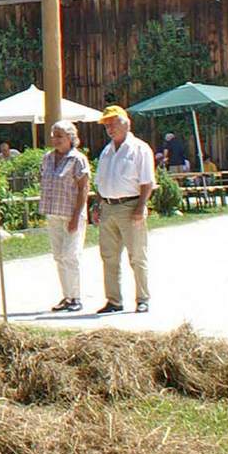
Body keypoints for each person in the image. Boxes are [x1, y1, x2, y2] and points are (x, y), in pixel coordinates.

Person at [93, 105, 155, 314]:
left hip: (131, 205)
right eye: (106, 125)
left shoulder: (140, 148)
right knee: (109, 256)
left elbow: (147, 182)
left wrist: (140, 207)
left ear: (126, 123)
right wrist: (97, 205)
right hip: (108, 206)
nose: (110, 128)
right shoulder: (106, 151)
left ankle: (142, 298)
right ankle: (114, 300)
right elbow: (100, 182)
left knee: (137, 256)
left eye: (113, 123)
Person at [39, 120, 91, 313]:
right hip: (53, 212)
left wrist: (77, 216)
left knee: (71, 255)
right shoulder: (47, 158)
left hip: (71, 214)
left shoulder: (77, 159)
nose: (56, 140)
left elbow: (83, 188)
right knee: (59, 256)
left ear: (71, 138)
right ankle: (67, 296)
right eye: (54, 135)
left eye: (60, 136)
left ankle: (76, 297)